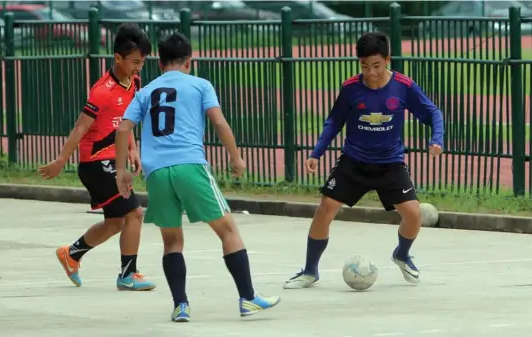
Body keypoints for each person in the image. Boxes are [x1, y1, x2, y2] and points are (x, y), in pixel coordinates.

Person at [113, 32, 281, 322]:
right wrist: (236, 157)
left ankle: (181, 305)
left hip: (157, 172)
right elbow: (218, 121)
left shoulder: (146, 91)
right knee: (228, 230)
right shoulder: (200, 85)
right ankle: (248, 298)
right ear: (189, 61)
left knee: (172, 240)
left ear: (159, 63)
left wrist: (121, 170)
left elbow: (123, 129)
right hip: (190, 165)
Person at [283, 31, 444, 289]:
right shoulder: (350, 88)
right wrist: (316, 153)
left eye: (377, 66)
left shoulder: (403, 85)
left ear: (388, 60)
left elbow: (432, 112)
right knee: (324, 209)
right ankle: (310, 271)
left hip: (390, 162)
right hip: (354, 161)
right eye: (365, 66)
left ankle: (402, 254)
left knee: (413, 215)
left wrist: (437, 138)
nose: (370, 72)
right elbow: (334, 120)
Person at [38, 23, 156, 291]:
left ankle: (72, 254)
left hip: (113, 162)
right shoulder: (102, 91)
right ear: (117, 58)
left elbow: (126, 122)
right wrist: (59, 161)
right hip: (95, 164)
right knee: (135, 213)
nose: (139, 67)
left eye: (143, 62)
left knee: (115, 222)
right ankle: (128, 275)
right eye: (135, 62)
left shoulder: (134, 82)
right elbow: (80, 127)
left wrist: (133, 150)